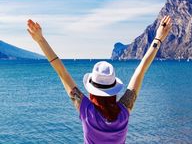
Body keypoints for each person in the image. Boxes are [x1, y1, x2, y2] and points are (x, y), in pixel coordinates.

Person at [27, 15, 172, 144]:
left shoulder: (87, 111)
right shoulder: (123, 112)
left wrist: (40, 40)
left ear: (92, 91)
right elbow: (140, 71)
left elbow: (62, 72)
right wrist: (158, 39)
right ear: (114, 89)